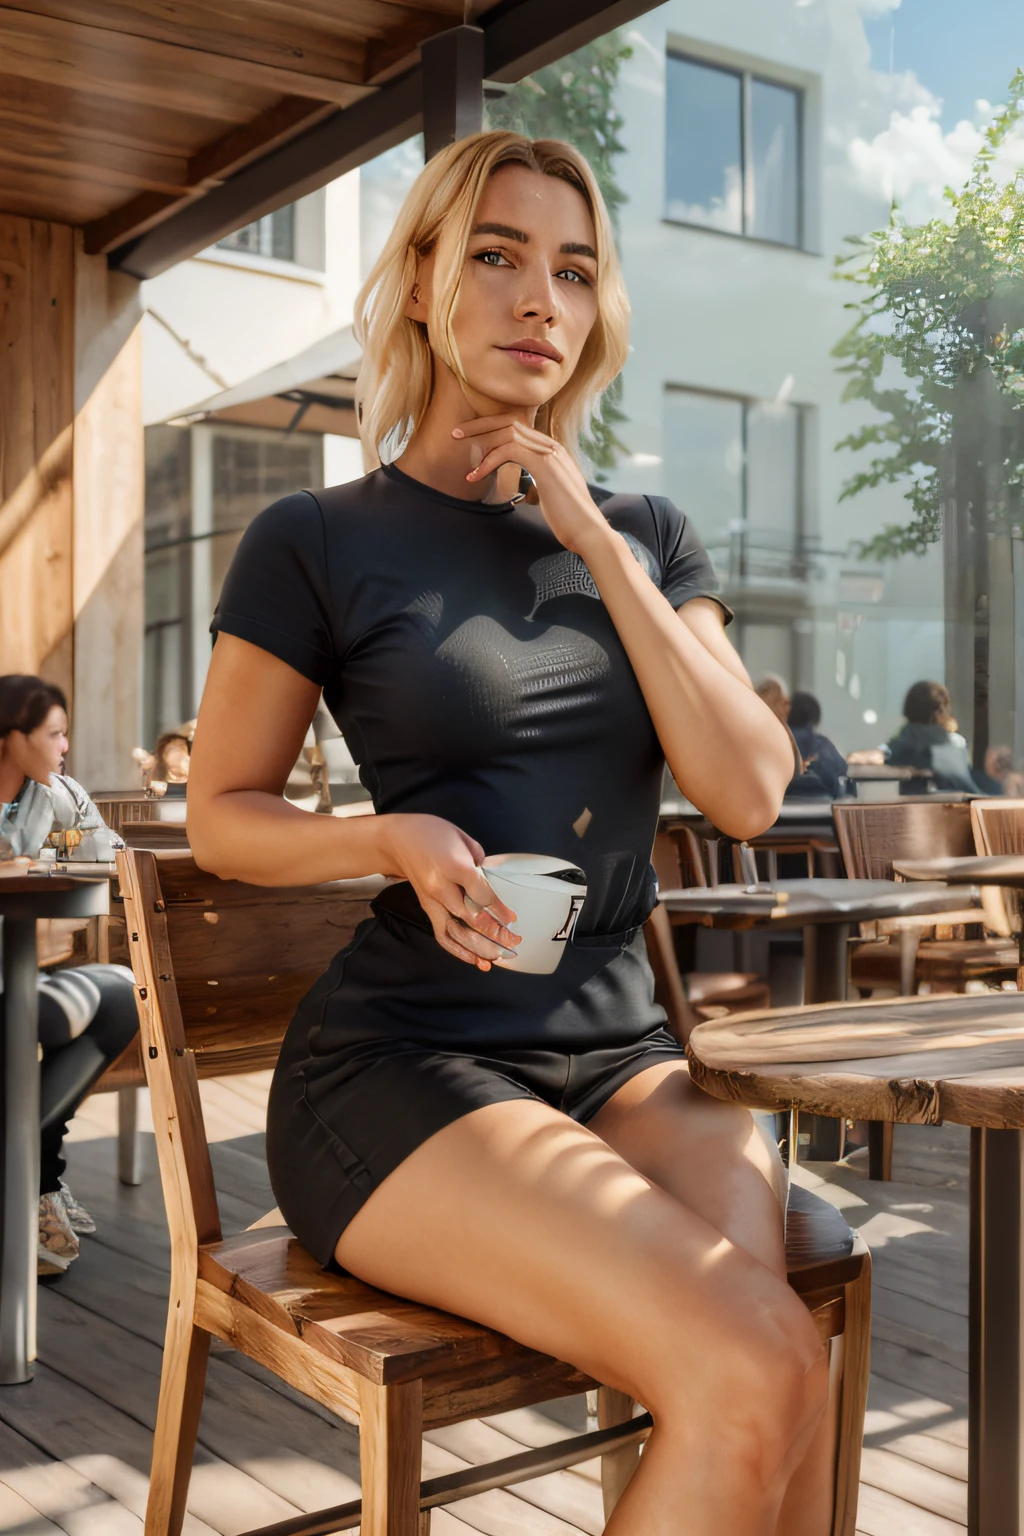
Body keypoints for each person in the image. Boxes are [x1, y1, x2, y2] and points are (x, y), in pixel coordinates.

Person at [188, 132, 827, 1533]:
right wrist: (386, 837)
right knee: (757, 1359)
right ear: (422, 281)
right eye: (497, 255)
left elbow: (750, 791)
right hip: (408, 1063)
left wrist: (595, 540)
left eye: (575, 270)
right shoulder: (316, 539)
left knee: (775, 1370)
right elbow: (219, 819)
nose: (540, 298)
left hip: (627, 1055)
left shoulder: (646, 532)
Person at [0, 676, 138, 1276]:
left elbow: (111, 854)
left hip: (26, 973)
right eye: (53, 734)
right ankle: (35, 1186)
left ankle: (27, 1180)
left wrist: (54, 855)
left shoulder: (58, 794)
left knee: (120, 996)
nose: (63, 747)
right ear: (11, 737)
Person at [886, 680, 980, 793]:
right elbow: (969, 792)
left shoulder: (895, 746)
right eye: (948, 706)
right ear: (939, 711)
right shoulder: (948, 749)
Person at [787, 692, 847, 799]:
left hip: (784, 807)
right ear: (815, 718)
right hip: (823, 807)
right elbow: (842, 768)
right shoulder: (822, 744)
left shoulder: (780, 741)